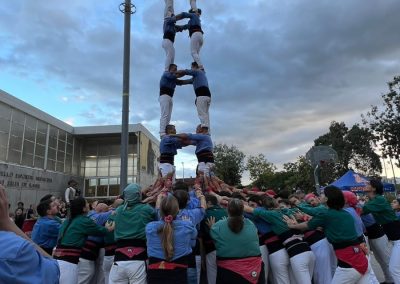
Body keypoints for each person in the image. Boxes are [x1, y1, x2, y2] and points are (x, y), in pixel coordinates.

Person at [285, 186, 370, 284]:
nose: (319, 195)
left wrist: (292, 226)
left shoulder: (327, 214)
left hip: (349, 263)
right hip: (358, 257)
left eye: (322, 193)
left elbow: (306, 226)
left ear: (327, 198)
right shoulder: (345, 213)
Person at [244, 196, 315, 284]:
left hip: (288, 254)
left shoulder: (270, 214)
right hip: (303, 251)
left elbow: (246, 209)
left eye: (253, 205)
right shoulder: (289, 212)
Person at [0, 184, 60, 283]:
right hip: (41, 254)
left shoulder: (43, 221)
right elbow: (53, 272)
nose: (57, 204)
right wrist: (6, 222)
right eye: (53, 204)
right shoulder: (18, 248)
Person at [53, 197, 111, 284]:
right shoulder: (83, 221)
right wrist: (110, 228)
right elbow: (102, 231)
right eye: (87, 203)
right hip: (69, 261)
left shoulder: (67, 221)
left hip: (57, 259)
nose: (89, 205)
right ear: (83, 208)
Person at [109, 183, 156, 284]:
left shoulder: (119, 210)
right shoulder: (146, 209)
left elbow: (108, 226)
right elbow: (158, 217)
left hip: (118, 259)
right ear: (138, 195)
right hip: (139, 258)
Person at [209, 198, 264, 284]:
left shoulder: (217, 226)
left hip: (228, 271)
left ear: (227, 209)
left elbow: (216, 241)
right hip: (256, 269)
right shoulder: (250, 223)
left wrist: (212, 227)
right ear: (243, 210)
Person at [146, 195, 197, 284]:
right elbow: (193, 240)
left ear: (160, 211)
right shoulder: (187, 226)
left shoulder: (150, 227)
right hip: (179, 274)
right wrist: (187, 222)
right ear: (177, 210)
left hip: (155, 274)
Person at [361, 179, 400, 283]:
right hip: (394, 238)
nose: (366, 184)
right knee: (393, 267)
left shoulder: (379, 200)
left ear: (374, 188)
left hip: (398, 239)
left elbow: (362, 210)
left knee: (394, 269)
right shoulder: (374, 200)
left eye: (368, 184)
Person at [159, 65, 192, 137]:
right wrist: (185, 72)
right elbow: (175, 76)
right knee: (165, 114)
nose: (176, 70)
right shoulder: (166, 73)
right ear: (169, 69)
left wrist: (191, 81)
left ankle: (166, 131)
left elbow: (181, 82)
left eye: (176, 69)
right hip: (164, 96)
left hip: (170, 97)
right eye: (174, 69)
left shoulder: (173, 78)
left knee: (168, 116)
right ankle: (162, 133)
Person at [178, 62, 211, 130]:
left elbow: (184, 71)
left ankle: (204, 130)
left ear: (194, 67)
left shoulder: (198, 71)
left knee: (202, 114)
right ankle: (207, 132)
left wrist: (173, 73)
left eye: (191, 67)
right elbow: (184, 82)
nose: (191, 69)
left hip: (202, 95)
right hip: (207, 96)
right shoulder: (197, 76)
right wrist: (176, 81)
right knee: (205, 115)